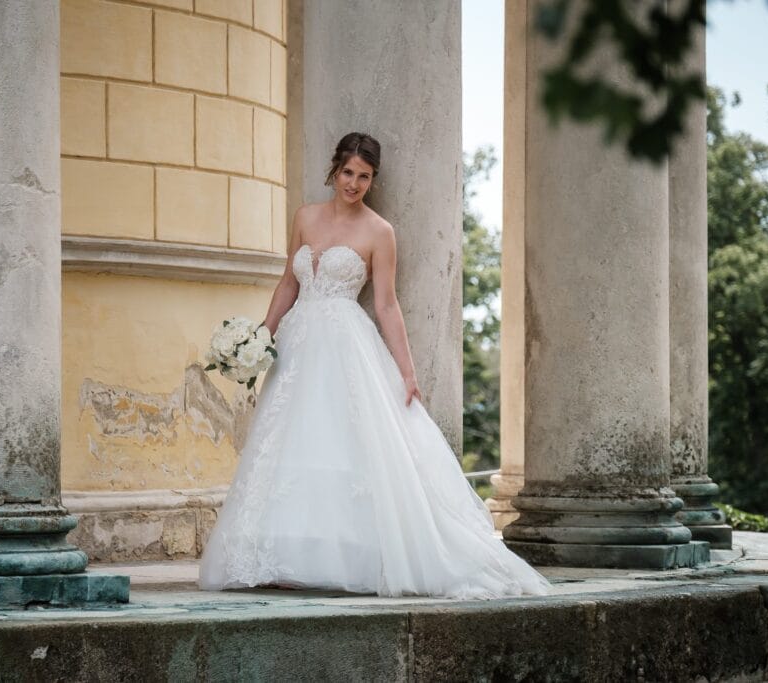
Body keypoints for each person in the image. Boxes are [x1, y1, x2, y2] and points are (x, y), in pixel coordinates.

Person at [198, 132, 550, 598]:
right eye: (348, 173)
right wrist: (262, 336)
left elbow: (386, 305)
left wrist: (407, 372)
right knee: (288, 442)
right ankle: (280, 556)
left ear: (372, 179)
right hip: (300, 343)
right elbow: (289, 282)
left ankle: (347, 558)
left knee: (341, 443)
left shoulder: (379, 231)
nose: (355, 183)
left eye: (364, 176)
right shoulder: (304, 217)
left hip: (346, 344)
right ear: (335, 170)